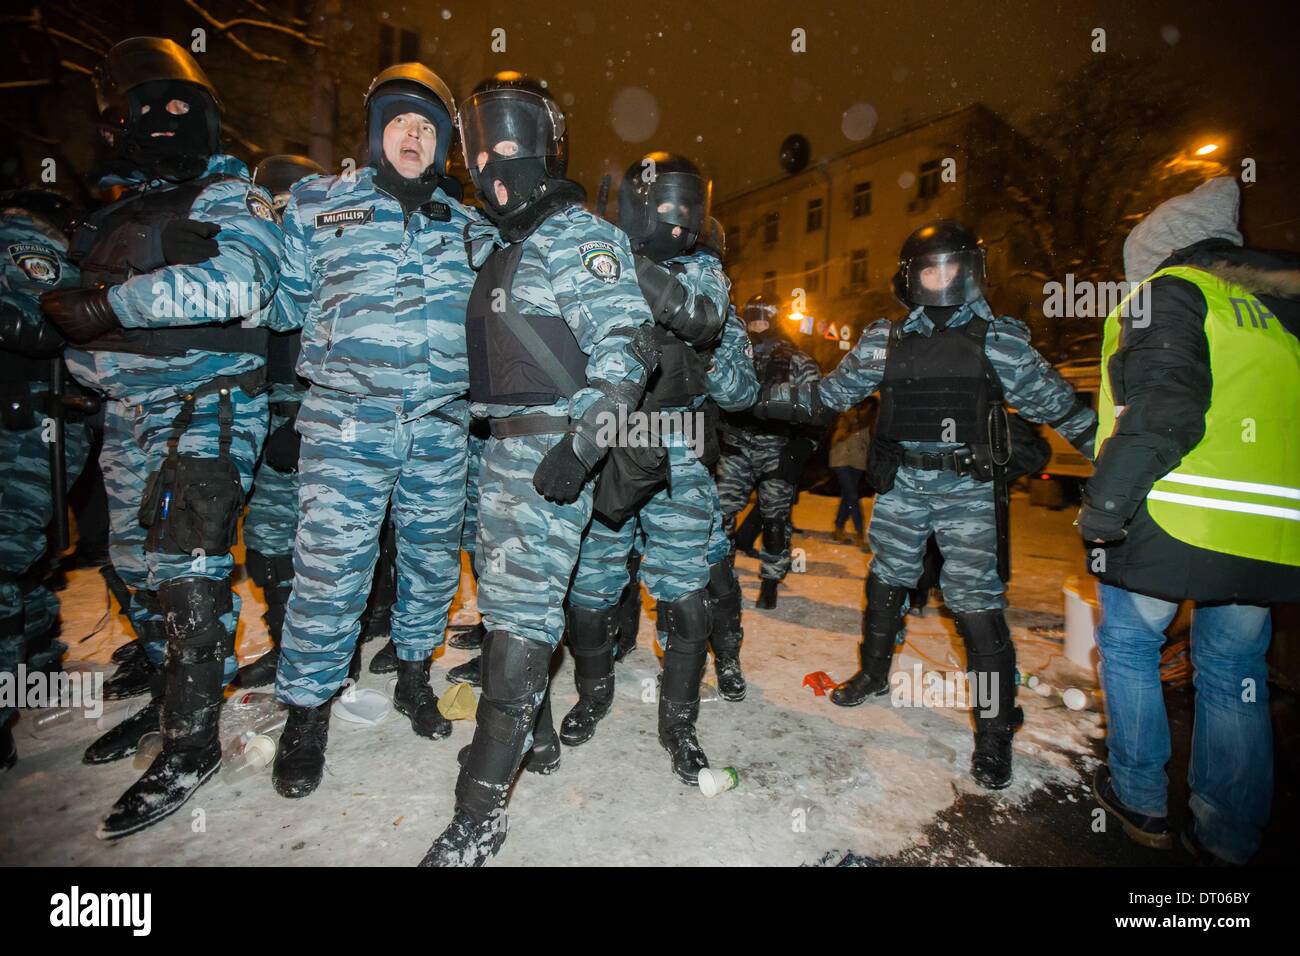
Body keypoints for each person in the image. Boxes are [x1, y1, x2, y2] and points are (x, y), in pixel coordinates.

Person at [40, 37, 285, 836]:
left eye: (184, 107)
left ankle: (191, 739)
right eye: (150, 111)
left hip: (202, 406)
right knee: (133, 567)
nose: (168, 122)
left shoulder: (229, 196)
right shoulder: (117, 211)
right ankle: (168, 703)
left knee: (189, 570)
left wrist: (115, 304)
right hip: (126, 416)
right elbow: (75, 319)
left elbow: (244, 280)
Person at [754, 220, 1096, 789]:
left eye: (951, 267)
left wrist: (1117, 460)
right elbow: (828, 396)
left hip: (967, 490)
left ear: (971, 272)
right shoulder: (884, 339)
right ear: (911, 278)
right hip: (904, 485)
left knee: (975, 605)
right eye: (929, 268)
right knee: (887, 579)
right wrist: (755, 398)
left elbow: (1063, 409)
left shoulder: (998, 339)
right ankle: (873, 674)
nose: (941, 279)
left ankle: (993, 733)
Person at [421, 72, 657, 866]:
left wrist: (583, 445)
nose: (494, 164)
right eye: (480, 147)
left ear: (550, 148)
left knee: (519, 625)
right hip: (498, 451)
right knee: (506, 612)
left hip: (552, 449)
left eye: (512, 146)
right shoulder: (500, 245)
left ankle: (479, 813)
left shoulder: (575, 236)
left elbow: (627, 353)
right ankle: (539, 741)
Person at [268, 63, 480, 798]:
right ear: (375, 132)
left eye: (428, 127)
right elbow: (281, 306)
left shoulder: (464, 222)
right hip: (345, 424)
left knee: (429, 563)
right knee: (330, 571)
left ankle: (414, 674)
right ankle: (306, 712)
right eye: (400, 123)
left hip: (440, 424)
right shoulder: (318, 206)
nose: (414, 135)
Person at [1081, 177, 1300, 864]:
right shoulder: (1276, 312)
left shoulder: (1169, 293)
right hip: (1268, 531)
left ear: (1159, 252)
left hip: (1175, 513)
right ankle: (1228, 832)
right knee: (1236, 667)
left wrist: (1105, 506)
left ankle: (1140, 796)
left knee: (1129, 645)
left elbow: (1162, 406)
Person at [563, 151, 730, 766]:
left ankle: (679, 725)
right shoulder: (590, 256)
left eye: (688, 202)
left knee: (685, 594)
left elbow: (703, 319)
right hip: (613, 434)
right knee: (591, 587)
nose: (678, 216)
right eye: (663, 202)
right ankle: (592, 694)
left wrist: (623, 264)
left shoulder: (703, 269)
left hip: (679, 442)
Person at [0, 188, 91, 770]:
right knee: (23, 564)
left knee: (8, 556)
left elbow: (41, 324)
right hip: (30, 420)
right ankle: (31, 669)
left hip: (26, 424)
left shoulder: (24, 235)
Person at [232, 154, 324, 689]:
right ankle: (284, 641)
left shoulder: (319, 258)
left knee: (315, 548)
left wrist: (299, 420)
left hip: (306, 417)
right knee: (265, 550)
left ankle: (317, 650)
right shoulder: (254, 254)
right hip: (256, 413)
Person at [715, 295, 821, 608]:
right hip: (736, 443)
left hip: (777, 446)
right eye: (752, 317)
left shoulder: (798, 360)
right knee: (721, 513)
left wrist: (802, 448)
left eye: (763, 318)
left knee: (774, 517)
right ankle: (722, 577)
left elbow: (818, 409)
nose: (757, 324)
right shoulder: (734, 355)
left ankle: (771, 580)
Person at [829, 403, 872, 546]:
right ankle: (860, 533)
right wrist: (848, 425)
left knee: (848, 496)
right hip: (841, 460)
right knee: (852, 496)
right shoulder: (842, 416)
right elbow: (835, 438)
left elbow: (868, 442)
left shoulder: (867, 421)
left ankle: (838, 528)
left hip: (858, 461)